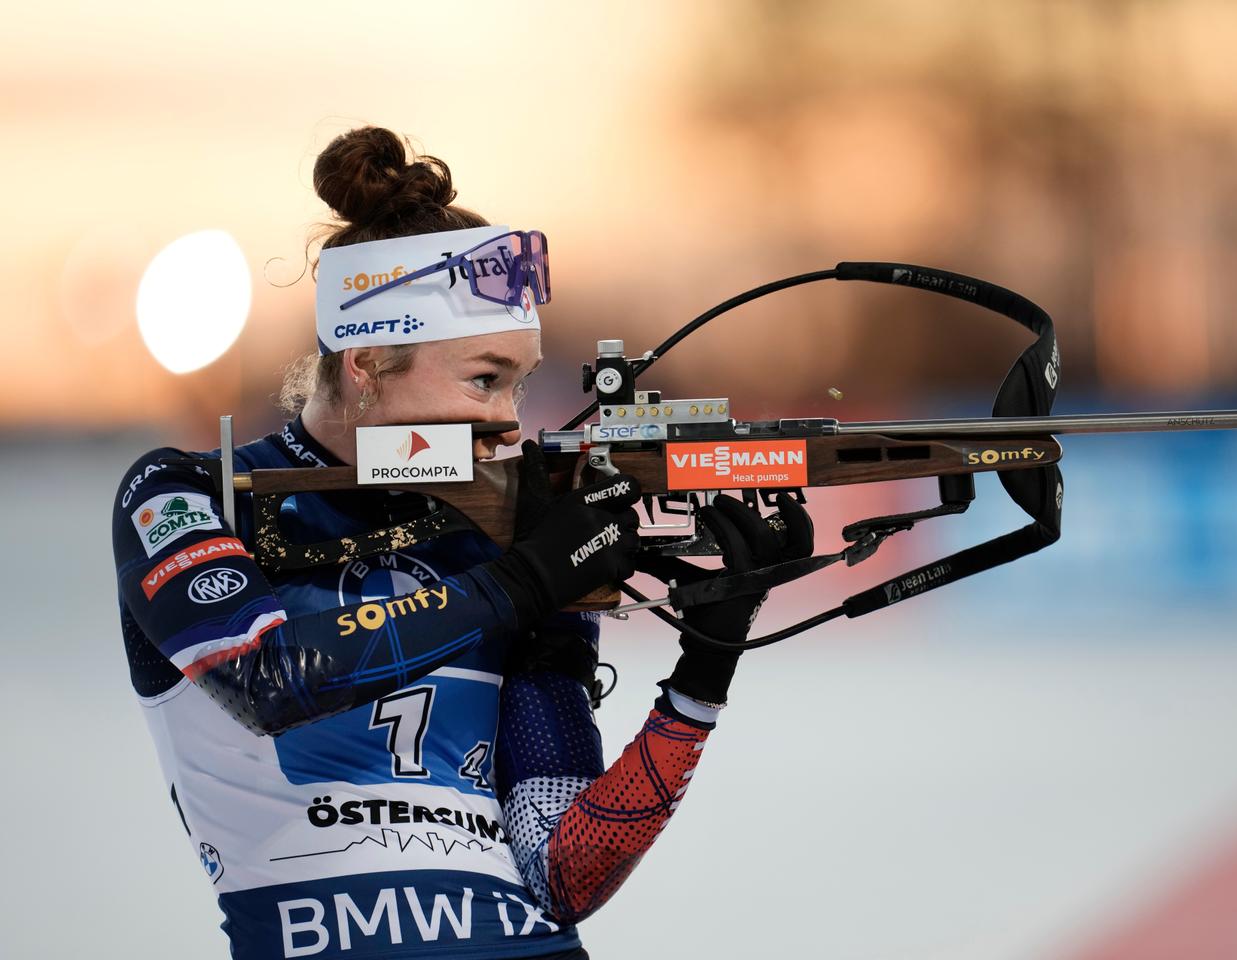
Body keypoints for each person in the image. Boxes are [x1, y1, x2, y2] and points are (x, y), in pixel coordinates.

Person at [110, 125, 813, 960]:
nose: (510, 418)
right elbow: (269, 679)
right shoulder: (190, 493)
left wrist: (709, 663)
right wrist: (521, 586)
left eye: (518, 381)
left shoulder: (506, 522)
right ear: (369, 359)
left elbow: (563, 873)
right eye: (484, 378)